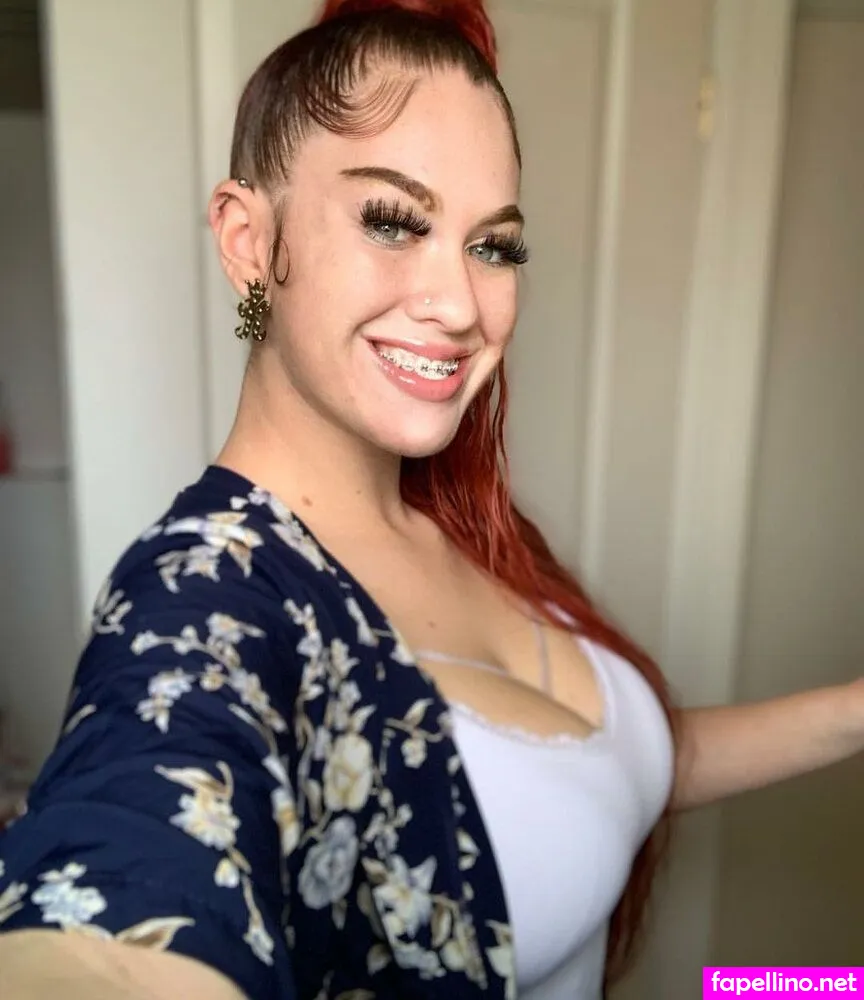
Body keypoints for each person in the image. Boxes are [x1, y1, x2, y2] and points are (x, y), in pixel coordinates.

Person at [1, 1, 862, 997]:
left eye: (493, 246)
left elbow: (620, 762)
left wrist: (853, 711)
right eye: (392, 222)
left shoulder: (460, 526)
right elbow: (114, 912)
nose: (460, 306)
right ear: (248, 239)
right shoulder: (207, 600)